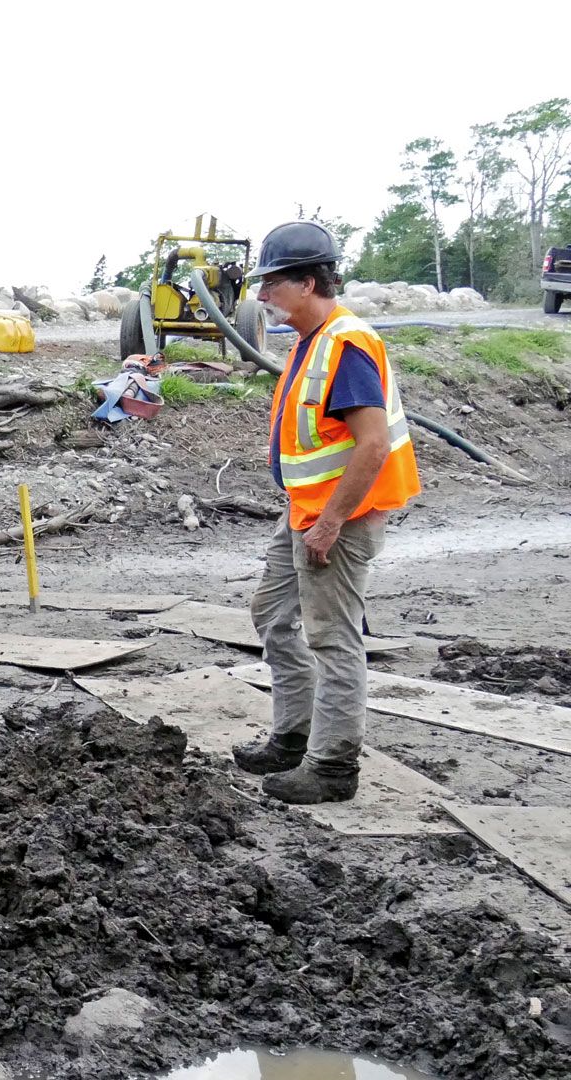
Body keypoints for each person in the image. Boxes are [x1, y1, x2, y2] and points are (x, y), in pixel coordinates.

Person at [231, 222, 421, 804]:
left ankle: (333, 766)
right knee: (272, 613)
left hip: (339, 517)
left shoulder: (345, 344)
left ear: (308, 282)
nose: (262, 295)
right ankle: (294, 736)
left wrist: (332, 521)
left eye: (272, 284)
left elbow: (372, 445)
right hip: (305, 509)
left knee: (332, 637)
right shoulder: (311, 341)